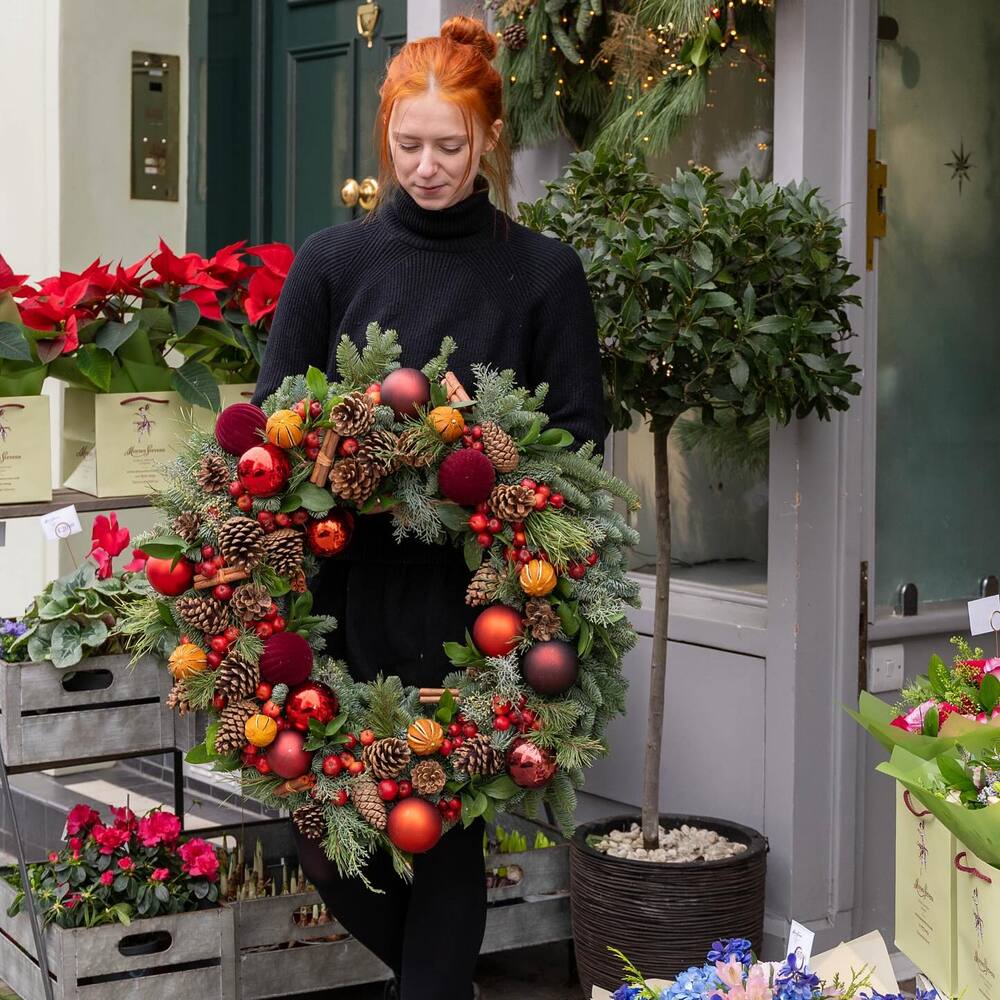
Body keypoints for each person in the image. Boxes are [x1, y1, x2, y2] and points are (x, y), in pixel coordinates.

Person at [252, 15, 605, 1000]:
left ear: (488, 138)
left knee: (447, 840)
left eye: (449, 145)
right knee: (326, 833)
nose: (428, 165)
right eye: (408, 145)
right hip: (344, 588)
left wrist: (473, 465)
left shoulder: (542, 274)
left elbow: (577, 441)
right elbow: (276, 423)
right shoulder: (331, 261)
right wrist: (353, 448)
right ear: (384, 137)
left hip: (480, 601)